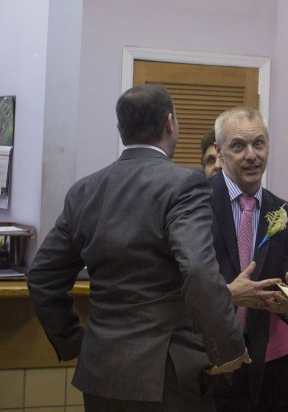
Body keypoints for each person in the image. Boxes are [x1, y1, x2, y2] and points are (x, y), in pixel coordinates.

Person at [27, 84, 248, 411]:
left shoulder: (84, 191)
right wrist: (228, 349)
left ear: (120, 129)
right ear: (170, 123)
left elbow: (42, 277)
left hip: (100, 374)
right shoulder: (184, 185)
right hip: (168, 377)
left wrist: (76, 343)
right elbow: (199, 271)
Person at [208, 106, 288, 412]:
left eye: (259, 144)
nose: (252, 155)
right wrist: (227, 294)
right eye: (239, 146)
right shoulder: (195, 202)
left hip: (265, 360)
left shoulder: (285, 213)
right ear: (220, 153)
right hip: (206, 356)